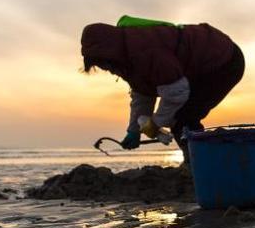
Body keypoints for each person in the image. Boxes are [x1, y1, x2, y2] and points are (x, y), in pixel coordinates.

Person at [81, 16, 245, 160]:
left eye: (101, 62)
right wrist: (134, 130)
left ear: (109, 51)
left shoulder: (146, 52)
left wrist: (156, 124)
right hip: (199, 68)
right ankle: (198, 162)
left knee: (184, 119)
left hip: (224, 61)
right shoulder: (127, 59)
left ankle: (201, 163)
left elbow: (176, 93)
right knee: (182, 119)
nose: (104, 68)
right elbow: (142, 95)